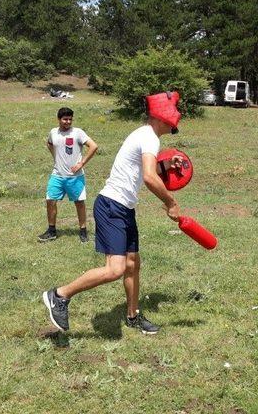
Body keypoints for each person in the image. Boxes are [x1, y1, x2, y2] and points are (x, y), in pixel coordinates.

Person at [42, 92, 183, 334]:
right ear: (165, 117)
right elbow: (149, 178)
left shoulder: (144, 135)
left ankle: (132, 315)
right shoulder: (149, 137)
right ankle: (60, 295)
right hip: (112, 206)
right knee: (115, 269)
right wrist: (171, 202)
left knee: (132, 264)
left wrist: (165, 166)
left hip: (124, 208)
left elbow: (144, 170)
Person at [38, 107, 98, 243]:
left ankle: (83, 231)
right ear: (59, 119)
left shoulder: (78, 133)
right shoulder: (53, 132)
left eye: (70, 119)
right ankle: (52, 231)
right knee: (50, 201)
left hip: (75, 177)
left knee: (79, 203)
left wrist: (81, 164)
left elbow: (93, 146)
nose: (68, 122)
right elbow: (49, 143)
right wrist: (56, 158)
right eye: (65, 119)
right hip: (57, 175)